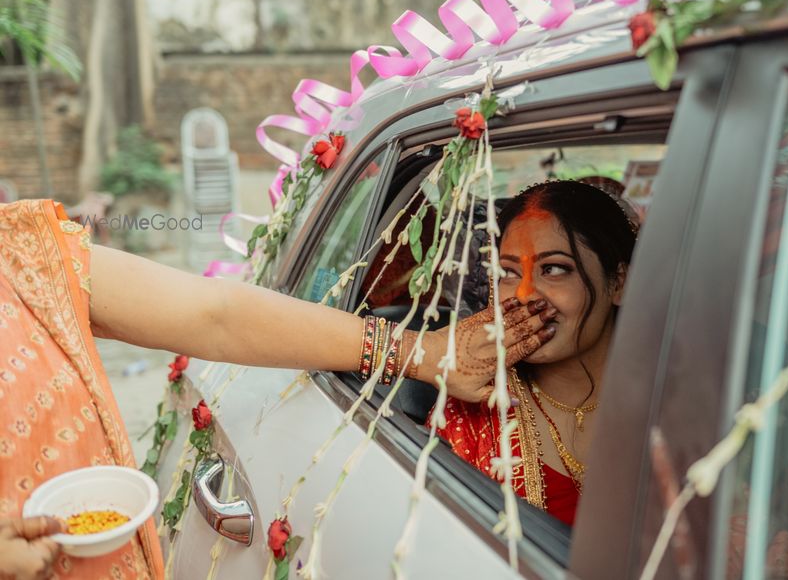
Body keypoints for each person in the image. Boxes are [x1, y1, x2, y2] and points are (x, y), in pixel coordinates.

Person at [0, 198, 551, 579]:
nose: (526, 294)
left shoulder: (20, 256)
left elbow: (215, 314)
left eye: (554, 270)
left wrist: (425, 352)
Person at [437, 180, 638, 526]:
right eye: (509, 273)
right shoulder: (473, 411)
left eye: (554, 268)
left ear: (618, 282)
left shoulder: (677, 401)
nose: (526, 294)